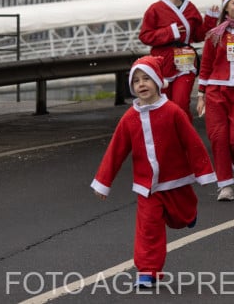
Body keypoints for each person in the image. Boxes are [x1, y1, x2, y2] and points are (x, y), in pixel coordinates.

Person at [91, 56, 216, 287]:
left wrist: (204, 171)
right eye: (136, 80)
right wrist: (103, 182)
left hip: (175, 179)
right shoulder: (129, 118)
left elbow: (192, 142)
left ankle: (189, 212)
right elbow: (115, 151)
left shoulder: (173, 112)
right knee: (149, 227)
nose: (141, 84)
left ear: (158, 81)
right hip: (146, 185)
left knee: (181, 217)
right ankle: (148, 271)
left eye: (146, 78)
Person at [196, 0, 234, 202]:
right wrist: (201, 93)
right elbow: (206, 65)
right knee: (218, 138)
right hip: (215, 91)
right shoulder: (215, 34)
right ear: (227, 8)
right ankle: (225, 185)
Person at [139, 0, 218, 120]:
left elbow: (198, 36)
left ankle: (186, 140)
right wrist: (169, 32)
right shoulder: (155, 9)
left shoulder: (190, 7)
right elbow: (145, 36)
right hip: (163, 62)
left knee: (181, 103)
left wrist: (210, 20)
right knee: (164, 105)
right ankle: (168, 139)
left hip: (185, 62)